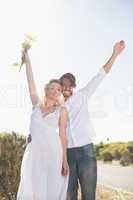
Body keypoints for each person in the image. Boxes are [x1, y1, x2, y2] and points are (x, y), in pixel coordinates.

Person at [59, 40, 125, 200]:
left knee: (89, 195)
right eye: (63, 85)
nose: (67, 87)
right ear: (60, 87)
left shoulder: (82, 95)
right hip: (67, 153)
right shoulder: (57, 107)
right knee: (69, 195)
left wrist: (114, 54)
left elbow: (100, 75)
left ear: (73, 85)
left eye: (69, 84)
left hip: (86, 152)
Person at [17, 50, 69, 200]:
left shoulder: (61, 111)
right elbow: (30, 81)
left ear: (60, 93)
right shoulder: (36, 105)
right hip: (34, 153)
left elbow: (63, 136)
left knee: (50, 190)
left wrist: (65, 161)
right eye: (52, 87)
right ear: (46, 89)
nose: (55, 91)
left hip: (54, 153)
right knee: (32, 190)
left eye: (58, 89)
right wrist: (27, 59)